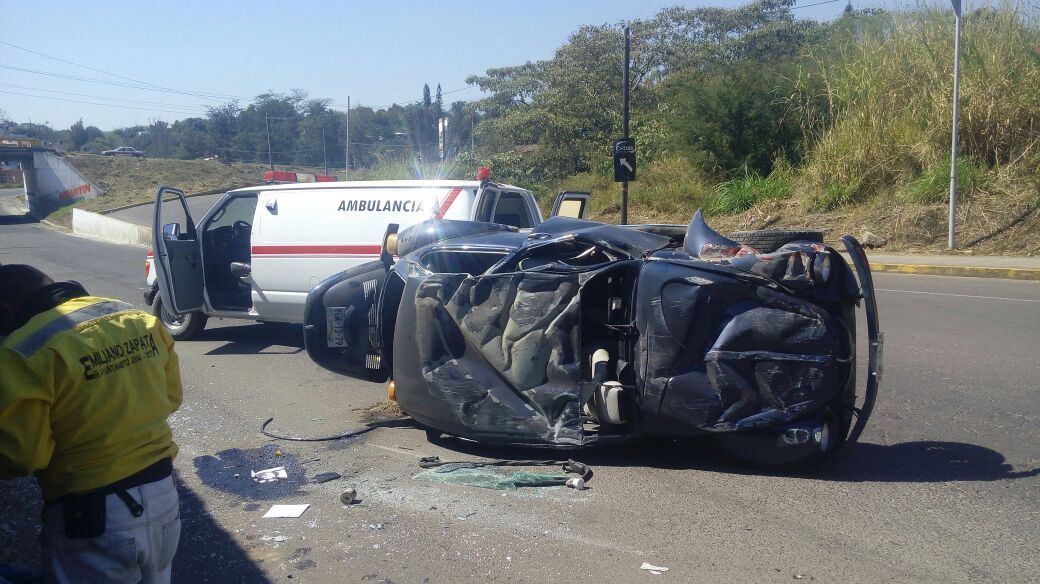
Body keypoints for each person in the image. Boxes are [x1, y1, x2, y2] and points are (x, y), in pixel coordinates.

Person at [0, 265, 183, 583]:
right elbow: (171, 397)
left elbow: (23, 456)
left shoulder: (21, 351)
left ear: (5, 309)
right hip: (163, 497)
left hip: (92, 519)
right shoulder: (133, 317)